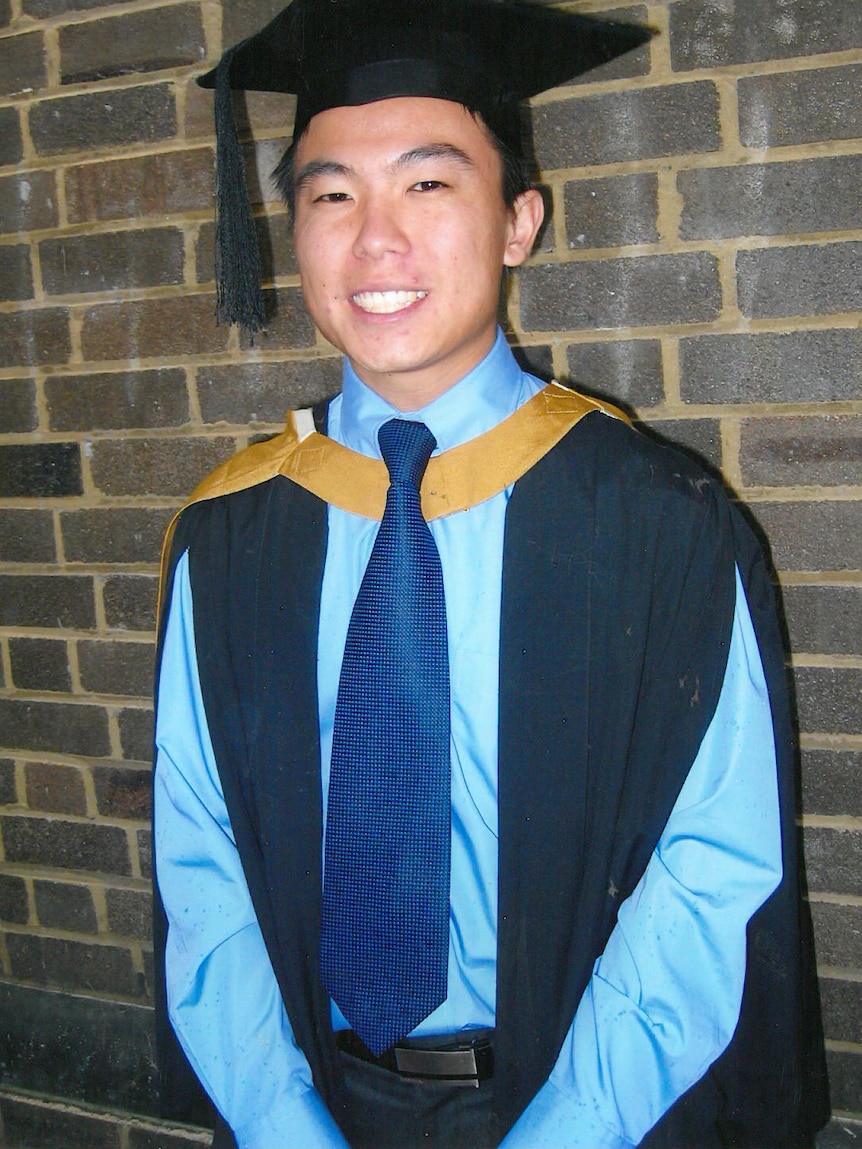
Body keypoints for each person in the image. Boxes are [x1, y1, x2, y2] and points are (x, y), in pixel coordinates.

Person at [152, 1, 828, 1147]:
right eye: (330, 195)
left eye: (428, 185)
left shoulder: (658, 523)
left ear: (519, 220)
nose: (375, 241)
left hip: (596, 1104)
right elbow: (198, 852)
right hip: (308, 1098)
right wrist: (282, 1125)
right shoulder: (228, 536)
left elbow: (714, 871)